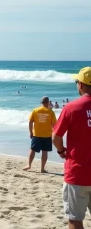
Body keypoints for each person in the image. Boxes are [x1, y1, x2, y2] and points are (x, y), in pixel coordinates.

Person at [52, 67, 91, 229]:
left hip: (78, 172)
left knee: (75, 219)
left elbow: (56, 137)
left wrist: (62, 151)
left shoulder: (72, 107)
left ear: (81, 85)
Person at [23, 96, 57, 173]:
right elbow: (54, 125)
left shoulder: (35, 110)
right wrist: (55, 134)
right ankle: (42, 168)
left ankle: (29, 165)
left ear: (41, 103)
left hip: (36, 134)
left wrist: (30, 132)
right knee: (45, 151)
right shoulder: (51, 112)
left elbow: (30, 122)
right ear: (48, 103)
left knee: (32, 150)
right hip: (47, 135)